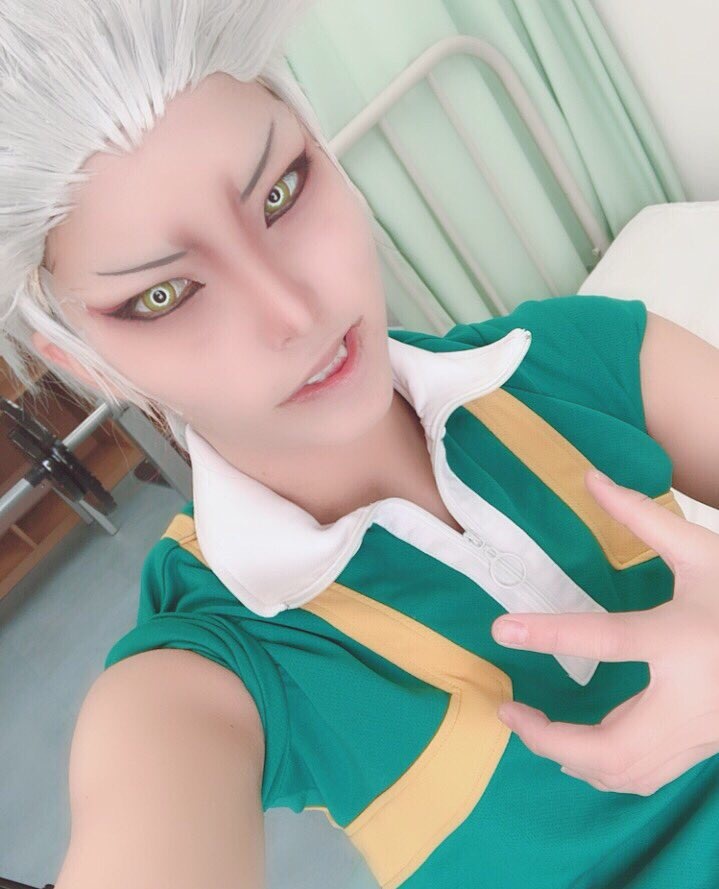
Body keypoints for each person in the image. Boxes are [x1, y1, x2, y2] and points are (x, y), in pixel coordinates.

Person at [2, 2, 719, 887]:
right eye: (165, 295)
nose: (292, 310)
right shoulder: (210, 668)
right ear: (83, 362)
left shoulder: (584, 357)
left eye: (280, 192)